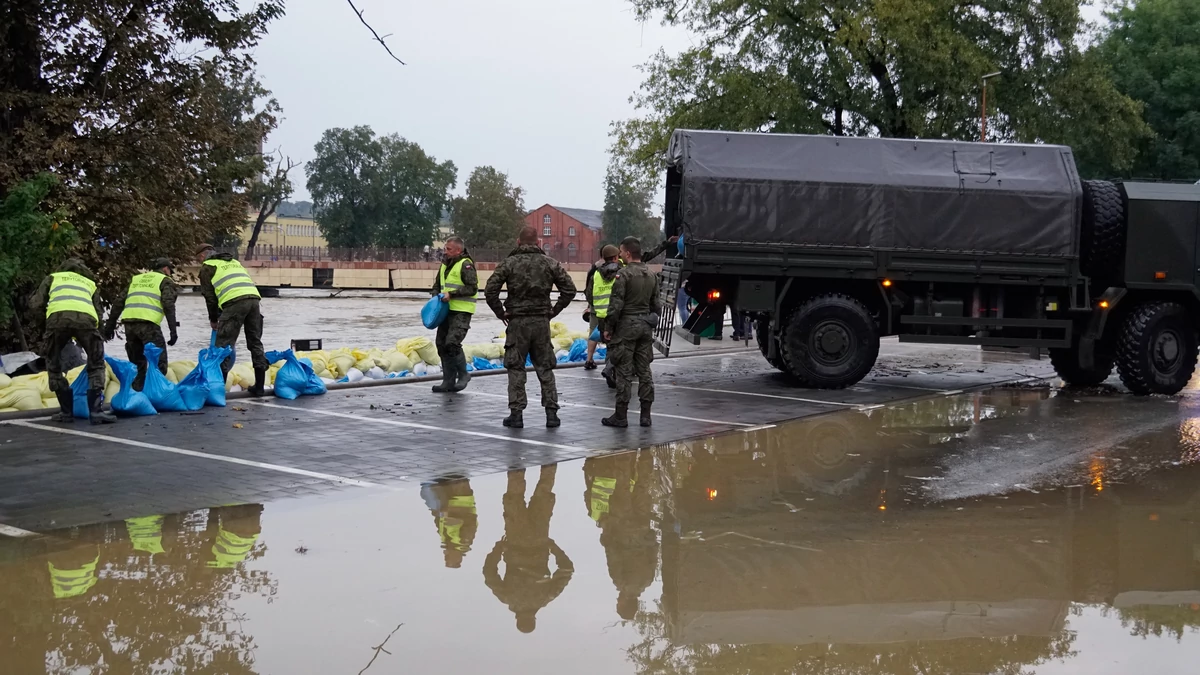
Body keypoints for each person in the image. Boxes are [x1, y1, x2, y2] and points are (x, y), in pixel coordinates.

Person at [484, 225, 576, 429]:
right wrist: (554, 311)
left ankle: (516, 415)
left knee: (516, 367)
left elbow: (490, 290)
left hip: (517, 323)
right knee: (545, 368)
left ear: (518, 242)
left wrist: (501, 312)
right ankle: (552, 414)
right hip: (542, 322)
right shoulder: (550, 263)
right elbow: (570, 290)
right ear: (537, 243)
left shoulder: (509, 263)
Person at [483, 466, 573, 634]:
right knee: (514, 498)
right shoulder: (508, 598)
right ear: (517, 619)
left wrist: (553, 548)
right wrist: (498, 549)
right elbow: (489, 574)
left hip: (540, 540)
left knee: (543, 494)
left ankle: (549, 461)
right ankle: (516, 463)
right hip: (515, 540)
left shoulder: (546, 597)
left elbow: (566, 570)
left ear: (534, 619)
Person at [30, 257, 116, 424]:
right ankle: (96, 412)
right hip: (87, 322)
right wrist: (95, 335)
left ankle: (66, 413)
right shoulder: (89, 284)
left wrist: (47, 322)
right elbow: (98, 313)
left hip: (56, 321)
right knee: (96, 364)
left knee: (53, 366)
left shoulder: (53, 278)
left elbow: (35, 304)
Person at [583, 451, 658, 620]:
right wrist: (606, 537)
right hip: (621, 524)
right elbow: (613, 554)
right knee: (621, 488)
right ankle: (623, 456)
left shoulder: (648, 581)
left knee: (642, 487)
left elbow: (654, 552)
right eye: (619, 604)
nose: (617, 600)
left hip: (642, 525)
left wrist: (648, 534)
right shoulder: (620, 582)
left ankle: (646, 455)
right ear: (624, 603)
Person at [602, 237, 661, 428]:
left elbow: (616, 305)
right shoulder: (651, 275)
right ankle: (646, 416)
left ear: (627, 253)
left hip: (626, 328)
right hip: (645, 327)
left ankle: (621, 416)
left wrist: (608, 328)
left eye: (621, 252)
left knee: (624, 372)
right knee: (644, 371)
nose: (620, 256)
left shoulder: (623, 275)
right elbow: (656, 305)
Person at [197, 243, 268, 396]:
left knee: (223, 346)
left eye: (198, 259)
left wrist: (214, 319)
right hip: (254, 300)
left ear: (202, 255)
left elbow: (210, 297)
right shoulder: (234, 262)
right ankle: (260, 387)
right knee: (255, 341)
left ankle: (219, 390)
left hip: (234, 302)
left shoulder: (208, 266)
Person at [104, 257, 178, 391]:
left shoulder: (136, 280)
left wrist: (110, 325)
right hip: (148, 325)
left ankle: (137, 394)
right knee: (159, 362)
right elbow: (168, 305)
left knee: (137, 364)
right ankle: (157, 393)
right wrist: (173, 331)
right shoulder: (165, 281)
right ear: (166, 269)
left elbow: (118, 302)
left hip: (129, 325)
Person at [430, 236, 477, 393]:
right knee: (441, 344)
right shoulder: (444, 265)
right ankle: (448, 381)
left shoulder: (466, 264)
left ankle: (463, 374)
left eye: (449, 249)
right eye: (445, 248)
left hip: (461, 311)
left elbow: (472, 288)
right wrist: (435, 297)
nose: (446, 251)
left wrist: (452, 294)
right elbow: (437, 285)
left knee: (452, 343)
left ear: (458, 250)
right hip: (444, 310)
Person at [421, 478, 478, 569]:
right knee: (454, 474)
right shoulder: (465, 540)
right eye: (447, 557)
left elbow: (439, 522)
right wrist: (449, 513)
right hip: (461, 496)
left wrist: (436, 512)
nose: (445, 554)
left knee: (426, 490)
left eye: (445, 557)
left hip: (446, 502)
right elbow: (469, 517)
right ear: (457, 557)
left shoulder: (446, 541)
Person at [583, 245, 621, 371]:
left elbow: (588, 293)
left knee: (594, 333)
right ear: (616, 257)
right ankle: (611, 368)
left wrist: (593, 306)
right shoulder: (621, 272)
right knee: (617, 342)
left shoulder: (595, 272)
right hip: (616, 313)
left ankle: (589, 360)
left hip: (598, 313)